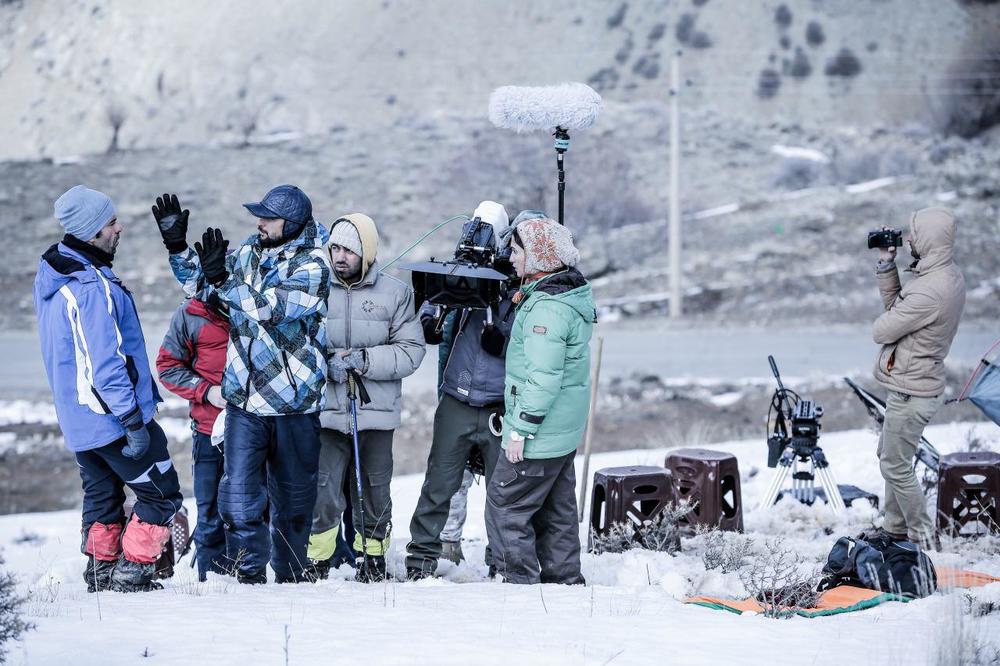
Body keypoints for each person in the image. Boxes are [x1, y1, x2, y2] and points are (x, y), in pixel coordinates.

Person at [158, 185, 331, 584]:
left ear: (291, 223)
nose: (259, 223)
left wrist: (224, 280)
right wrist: (179, 247)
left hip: (294, 405)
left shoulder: (314, 266)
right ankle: (247, 576)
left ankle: (290, 577)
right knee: (237, 500)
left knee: (293, 504)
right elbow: (202, 287)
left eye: (268, 218)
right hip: (245, 402)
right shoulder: (250, 254)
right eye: (259, 216)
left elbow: (270, 309)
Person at [34, 185, 183, 593]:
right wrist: (133, 420)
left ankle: (100, 574)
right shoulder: (88, 286)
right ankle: (132, 574)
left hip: (79, 420)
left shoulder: (54, 274)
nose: (120, 228)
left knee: (102, 496)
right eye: (110, 223)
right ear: (90, 232)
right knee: (162, 495)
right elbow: (106, 363)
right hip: (114, 419)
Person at [405, 201, 523, 579]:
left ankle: (503, 563)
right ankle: (421, 558)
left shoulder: (513, 284)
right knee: (439, 483)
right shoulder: (460, 273)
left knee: (502, 493)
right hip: (456, 397)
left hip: (497, 405)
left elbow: (527, 339)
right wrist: (429, 311)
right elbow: (431, 314)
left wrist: (500, 329)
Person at [306, 214, 425, 583]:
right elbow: (296, 346)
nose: (340, 256)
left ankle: (372, 560)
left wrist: (366, 360)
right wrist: (325, 365)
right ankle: (317, 561)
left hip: (374, 413)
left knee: (374, 490)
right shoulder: (314, 287)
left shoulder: (395, 293)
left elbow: (411, 350)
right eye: (335, 248)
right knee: (323, 492)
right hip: (325, 413)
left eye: (349, 250)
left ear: (367, 253)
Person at [485, 216, 595, 585]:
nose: (511, 257)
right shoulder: (564, 295)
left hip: (539, 433)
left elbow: (542, 378)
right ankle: (564, 580)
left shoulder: (546, 310)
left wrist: (519, 430)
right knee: (557, 509)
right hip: (561, 434)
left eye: (517, 251)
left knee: (506, 503)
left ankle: (519, 582)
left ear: (539, 256)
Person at [870, 207, 965, 549]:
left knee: (894, 464)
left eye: (913, 234)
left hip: (913, 391)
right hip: (916, 383)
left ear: (927, 239)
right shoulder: (943, 275)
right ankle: (894, 529)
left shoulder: (930, 290)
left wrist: (896, 312)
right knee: (893, 457)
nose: (907, 238)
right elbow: (897, 307)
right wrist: (886, 264)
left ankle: (922, 537)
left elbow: (882, 328)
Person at [156, 285, 232, 581]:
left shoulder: (256, 305)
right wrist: (206, 391)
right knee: (210, 513)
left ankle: (252, 582)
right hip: (208, 429)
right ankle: (212, 581)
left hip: (256, 429)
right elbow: (167, 366)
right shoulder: (190, 314)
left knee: (253, 510)